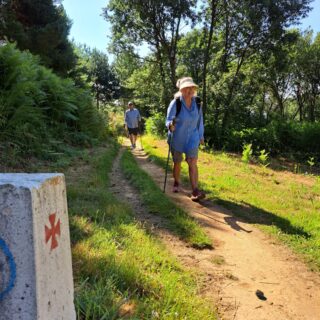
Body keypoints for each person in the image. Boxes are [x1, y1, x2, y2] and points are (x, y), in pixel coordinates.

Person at [166, 77, 205, 201]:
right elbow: (168, 120)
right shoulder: (176, 103)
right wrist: (170, 125)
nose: (190, 90)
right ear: (181, 90)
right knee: (177, 162)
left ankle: (195, 191)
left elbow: (200, 121)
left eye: (192, 88)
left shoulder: (197, 103)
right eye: (187, 88)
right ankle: (177, 182)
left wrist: (201, 135)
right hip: (177, 138)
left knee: (192, 162)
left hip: (192, 138)